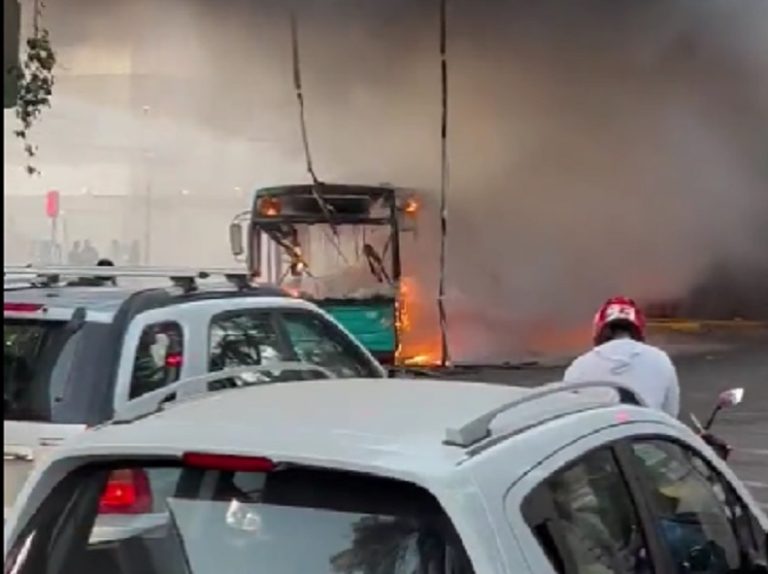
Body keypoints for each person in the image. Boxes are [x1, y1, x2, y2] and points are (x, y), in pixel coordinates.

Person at [563, 296, 680, 417]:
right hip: (649, 433)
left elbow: (570, 417)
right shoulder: (660, 360)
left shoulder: (579, 367)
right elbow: (671, 415)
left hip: (601, 435)